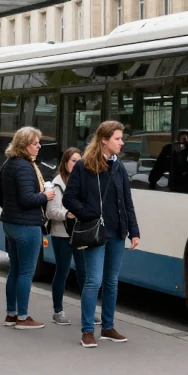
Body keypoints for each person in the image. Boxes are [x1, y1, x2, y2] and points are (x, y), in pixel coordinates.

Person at [64, 120, 140, 348]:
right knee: (93, 280)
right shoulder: (84, 166)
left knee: (111, 282)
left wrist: (134, 231)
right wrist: (88, 213)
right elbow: (69, 198)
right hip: (95, 232)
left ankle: (107, 327)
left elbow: (127, 202)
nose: (122, 142)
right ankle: (87, 330)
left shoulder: (119, 167)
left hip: (117, 232)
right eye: (117, 138)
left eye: (121, 138)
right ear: (104, 140)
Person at [0, 126, 56, 330]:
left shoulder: (9, 164)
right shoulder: (24, 167)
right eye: (35, 143)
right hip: (27, 225)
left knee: (15, 270)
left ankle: (11, 314)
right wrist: (45, 196)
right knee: (26, 272)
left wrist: (11, 209)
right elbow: (27, 199)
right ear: (23, 145)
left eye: (39, 142)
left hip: (10, 223)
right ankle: (23, 317)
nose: (39, 146)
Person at [45, 147, 99, 326]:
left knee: (84, 272)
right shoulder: (56, 183)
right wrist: (67, 214)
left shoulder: (82, 181)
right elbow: (51, 212)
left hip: (81, 233)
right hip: (61, 234)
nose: (76, 164)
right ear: (65, 163)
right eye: (73, 161)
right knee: (63, 271)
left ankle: (88, 311)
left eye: (78, 160)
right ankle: (58, 310)